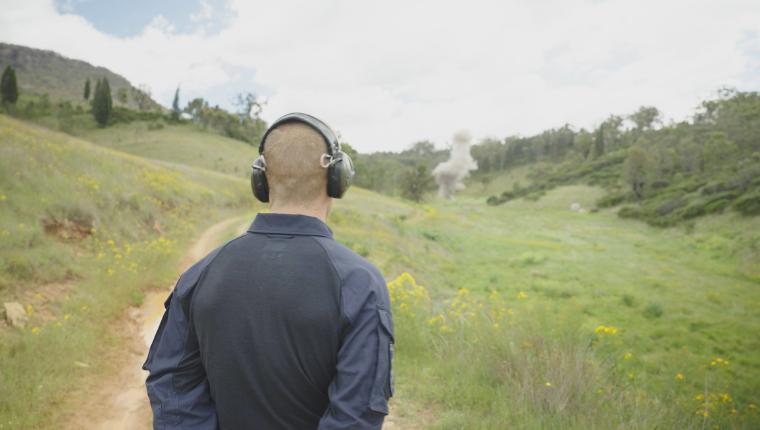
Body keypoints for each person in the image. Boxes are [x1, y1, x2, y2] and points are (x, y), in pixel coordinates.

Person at [143, 113, 394, 429]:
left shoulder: (200, 273)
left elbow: (172, 387)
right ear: (338, 178)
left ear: (260, 180)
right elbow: (357, 414)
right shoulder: (361, 283)